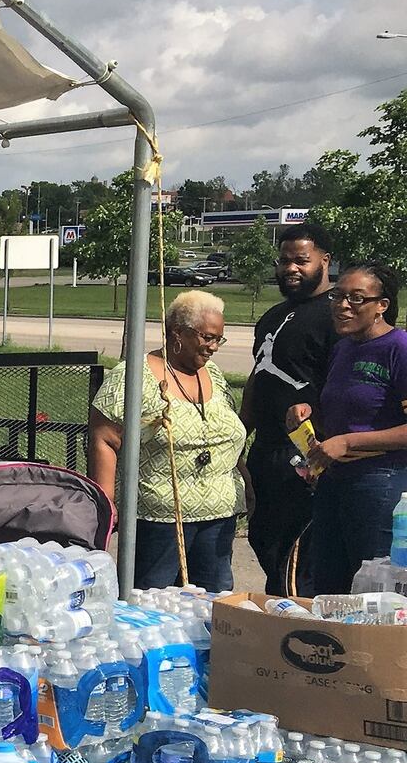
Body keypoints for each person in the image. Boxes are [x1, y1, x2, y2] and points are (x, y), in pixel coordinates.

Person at [89, 290, 248, 591]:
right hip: (159, 519)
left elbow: (225, 433)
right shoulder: (135, 375)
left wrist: (245, 480)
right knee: (152, 603)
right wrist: (106, 502)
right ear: (178, 332)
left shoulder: (212, 373)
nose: (214, 347)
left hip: (218, 517)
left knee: (212, 607)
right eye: (207, 337)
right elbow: (104, 437)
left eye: (219, 339)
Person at [287, 262, 407, 595]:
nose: (342, 306)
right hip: (334, 482)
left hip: (379, 485)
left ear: (381, 305)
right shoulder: (343, 349)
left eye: (356, 298)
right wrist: (306, 417)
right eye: (338, 296)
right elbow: (344, 415)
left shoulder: (399, 348)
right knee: (329, 589)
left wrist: (349, 441)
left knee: (372, 592)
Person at [240, 224, 338, 594]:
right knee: (265, 540)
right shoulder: (273, 316)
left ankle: (296, 631)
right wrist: (238, 434)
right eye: (284, 261)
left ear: (325, 261)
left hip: (306, 455)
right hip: (266, 451)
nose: (290, 268)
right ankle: (277, 618)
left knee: (299, 559)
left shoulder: (336, 317)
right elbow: (257, 377)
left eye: (301, 260)